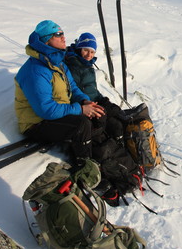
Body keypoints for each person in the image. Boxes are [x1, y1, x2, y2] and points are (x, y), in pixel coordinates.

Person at [14, 20, 105, 166]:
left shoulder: (58, 63)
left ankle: (102, 160)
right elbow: (46, 110)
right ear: (46, 41)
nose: (64, 37)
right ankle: (83, 167)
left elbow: (73, 87)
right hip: (36, 124)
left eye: (63, 33)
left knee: (98, 114)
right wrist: (80, 109)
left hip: (57, 114)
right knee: (81, 124)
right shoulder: (35, 70)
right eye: (58, 34)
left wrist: (84, 101)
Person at [65, 33, 125, 143]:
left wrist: (102, 99)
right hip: (86, 105)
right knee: (115, 122)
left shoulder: (86, 64)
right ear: (79, 49)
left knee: (119, 116)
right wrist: (90, 103)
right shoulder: (74, 65)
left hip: (94, 101)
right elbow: (75, 91)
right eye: (86, 50)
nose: (89, 55)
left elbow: (91, 88)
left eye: (92, 52)